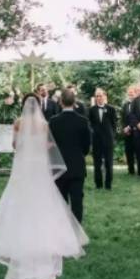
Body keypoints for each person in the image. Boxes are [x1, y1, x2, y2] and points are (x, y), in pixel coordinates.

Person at [0, 95, 88, 279]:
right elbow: (49, 146)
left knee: (20, 200)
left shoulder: (18, 122)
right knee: (43, 200)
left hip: (23, 166)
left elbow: (15, 145)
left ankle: (16, 236)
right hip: (39, 166)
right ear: (39, 107)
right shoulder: (44, 124)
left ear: (23, 106)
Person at [48, 89, 90, 222]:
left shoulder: (53, 121)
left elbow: (50, 145)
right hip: (77, 166)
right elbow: (86, 146)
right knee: (77, 201)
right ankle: (77, 233)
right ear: (75, 102)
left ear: (60, 102)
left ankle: (62, 231)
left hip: (59, 166)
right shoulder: (83, 121)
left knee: (61, 201)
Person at [87, 89, 116, 190]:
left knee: (109, 163)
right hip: (96, 141)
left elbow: (114, 125)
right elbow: (89, 124)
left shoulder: (111, 109)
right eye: (97, 96)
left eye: (100, 95)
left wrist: (112, 137)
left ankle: (108, 185)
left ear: (105, 96)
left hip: (108, 140)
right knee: (97, 163)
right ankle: (98, 184)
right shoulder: (91, 110)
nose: (99, 98)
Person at [120, 87, 137, 177]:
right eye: (129, 93)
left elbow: (137, 118)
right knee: (128, 151)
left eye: (132, 93)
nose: (130, 95)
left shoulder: (138, 104)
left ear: (135, 93)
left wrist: (130, 127)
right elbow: (123, 118)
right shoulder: (125, 105)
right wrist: (124, 128)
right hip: (127, 132)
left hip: (136, 131)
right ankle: (131, 170)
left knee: (138, 151)